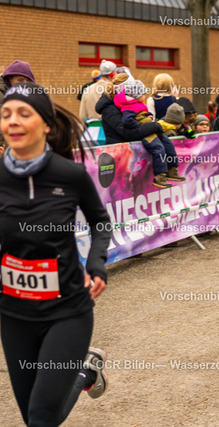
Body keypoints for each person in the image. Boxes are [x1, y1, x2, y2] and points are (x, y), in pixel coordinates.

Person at [0, 82, 110, 426]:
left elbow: (100, 222)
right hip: (14, 315)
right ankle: (85, 374)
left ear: (46, 124)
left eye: (23, 113)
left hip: (67, 312)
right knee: (36, 416)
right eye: (5, 114)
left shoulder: (70, 175)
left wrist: (96, 263)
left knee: (41, 416)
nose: (12, 121)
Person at [114, 80, 185, 188]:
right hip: (147, 133)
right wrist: (140, 126)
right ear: (136, 95)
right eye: (143, 94)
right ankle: (160, 176)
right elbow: (127, 120)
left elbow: (144, 113)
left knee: (168, 144)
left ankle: (172, 169)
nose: (145, 95)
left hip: (151, 130)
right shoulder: (129, 106)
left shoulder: (139, 104)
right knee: (158, 149)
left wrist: (150, 116)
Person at [95, 73, 164, 145]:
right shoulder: (110, 109)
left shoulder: (127, 104)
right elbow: (129, 133)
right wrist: (154, 126)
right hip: (118, 150)